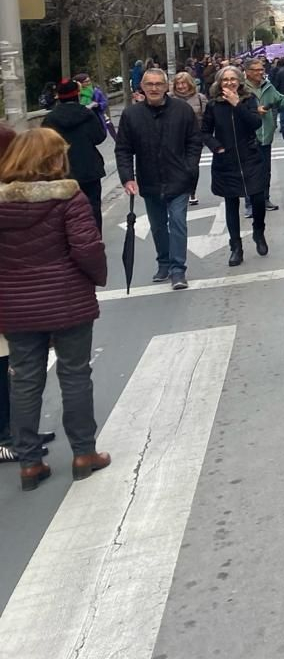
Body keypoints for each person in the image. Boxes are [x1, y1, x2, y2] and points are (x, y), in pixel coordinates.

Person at [0, 128, 110, 489]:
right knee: (75, 374)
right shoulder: (68, 197)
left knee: (25, 380)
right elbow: (87, 248)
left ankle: (29, 463)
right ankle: (83, 453)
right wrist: (98, 276)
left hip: (16, 306)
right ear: (54, 158)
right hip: (67, 299)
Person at [115, 67, 202, 289]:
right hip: (149, 179)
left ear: (166, 87)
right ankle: (163, 261)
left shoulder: (182, 111)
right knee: (158, 226)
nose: (154, 88)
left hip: (178, 178)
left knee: (178, 223)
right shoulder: (131, 115)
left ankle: (177, 270)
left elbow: (194, 141)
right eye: (149, 84)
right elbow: (123, 148)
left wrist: (190, 167)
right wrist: (127, 178)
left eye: (158, 84)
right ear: (142, 87)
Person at [203, 66, 268, 266]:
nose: (229, 82)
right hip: (226, 160)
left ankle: (258, 231)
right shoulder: (214, 105)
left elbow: (255, 123)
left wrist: (237, 104)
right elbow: (205, 131)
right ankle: (236, 246)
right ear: (219, 83)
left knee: (258, 198)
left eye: (233, 79)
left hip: (250, 157)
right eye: (225, 80)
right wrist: (217, 148)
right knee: (231, 204)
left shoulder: (248, 101)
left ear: (240, 81)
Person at [43, 79, 107, 232]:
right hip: (89, 169)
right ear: (77, 94)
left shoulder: (50, 119)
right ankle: (94, 239)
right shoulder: (87, 114)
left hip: (62, 171)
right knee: (92, 208)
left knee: (66, 211)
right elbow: (99, 137)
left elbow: (44, 147)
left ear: (58, 96)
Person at [243, 57, 284, 211]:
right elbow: (235, 110)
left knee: (265, 169)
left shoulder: (268, 86)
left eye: (262, 69)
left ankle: (265, 198)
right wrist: (254, 111)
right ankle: (250, 203)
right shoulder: (241, 89)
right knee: (250, 170)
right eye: (256, 70)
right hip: (248, 136)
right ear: (248, 72)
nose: (260, 72)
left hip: (266, 135)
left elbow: (281, 101)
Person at [171, 70, 207, 205]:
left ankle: (191, 191)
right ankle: (180, 191)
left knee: (192, 167)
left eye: (183, 83)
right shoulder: (169, 98)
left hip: (194, 139)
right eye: (178, 84)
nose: (181, 86)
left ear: (190, 84)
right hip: (173, 139)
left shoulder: (200, 98)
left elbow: (206, 118)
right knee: (177, 166)